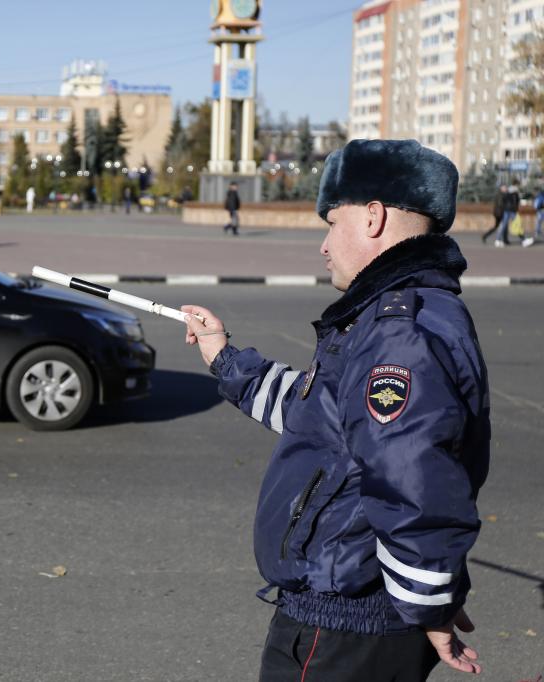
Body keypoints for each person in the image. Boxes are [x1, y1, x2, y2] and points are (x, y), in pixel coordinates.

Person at [181, 139, 490, 681]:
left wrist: (429, 604)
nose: (323, 245)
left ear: (372, 217)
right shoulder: (389, 314)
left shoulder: (399, 330)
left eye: (331, 222)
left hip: (346, 628)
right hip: (347, 617)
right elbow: (323, 419)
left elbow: (411, 479)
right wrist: (224, 356)